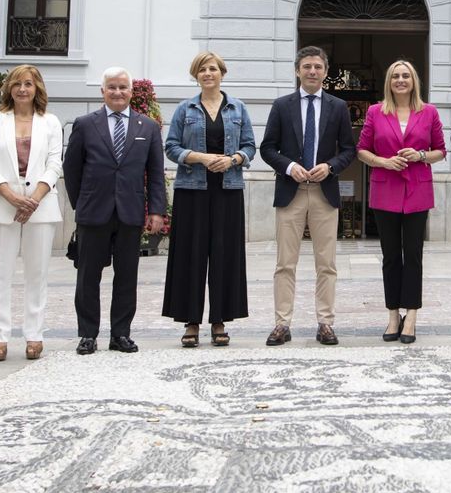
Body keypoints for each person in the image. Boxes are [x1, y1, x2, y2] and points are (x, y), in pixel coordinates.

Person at [64, 67, 167, 355]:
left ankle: (120, 334)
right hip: (93, 212)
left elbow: (155, 173)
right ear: (103, 91)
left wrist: (156, 210)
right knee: (87, 276)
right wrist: (80, 203)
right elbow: (71, 169)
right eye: (112, 87)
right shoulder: (85, 124)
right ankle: (87, 334)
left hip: (130, 213)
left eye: (123, 87)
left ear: (132, 91)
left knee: (126, 276)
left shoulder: (147, 127)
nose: (118, 92)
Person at [259, 45, 356, 347]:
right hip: (291, 192)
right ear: (297, 70)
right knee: (285, 263)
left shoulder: (338, 107)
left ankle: (325, 323)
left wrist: (330, 166)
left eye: (318, 67)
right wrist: (289, 167)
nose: (312, 71)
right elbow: (267, 148)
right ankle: (281, 323)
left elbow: (349, 150)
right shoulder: (281, 105)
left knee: (326, 263)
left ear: (326, 72)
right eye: (307, 67)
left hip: (324, 193)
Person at [162, 52, 255, 348]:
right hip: (192, 190)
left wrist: (234, 160)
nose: (208, 73)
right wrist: (199, 157)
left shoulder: (237, 108)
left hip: (228, 189)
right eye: (202, 69)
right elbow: (171, 147)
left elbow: (250, 146)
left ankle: (219, 320)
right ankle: (190, 321)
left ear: (222, 73)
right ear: (196, 75)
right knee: (190, 255)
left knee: (225, 256)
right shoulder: (184, 108)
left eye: (213, 69)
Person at [357, 59, 445, 345]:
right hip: (386, 190)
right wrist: (383, 161)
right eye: (396, 76)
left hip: (418, 191)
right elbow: (362, 151)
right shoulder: (375, 112)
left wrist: (420, 155)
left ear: (414, 81)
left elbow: (440, 151)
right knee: (391, 256)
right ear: (389, 81)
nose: (401, 80)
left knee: (414, 256)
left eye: (406, 75)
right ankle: (393, 314)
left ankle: (413, 315)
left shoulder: (428, 112)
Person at [0, 65, 63, 362]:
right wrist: (12, 196)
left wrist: (34, 199)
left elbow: (55, 164)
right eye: (16, 84)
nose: (22, 89)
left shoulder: (50, 122)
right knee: (0, 274)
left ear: (37, 88)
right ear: (9, 89)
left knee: (37, 275)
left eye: (28, 84)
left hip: (41, 207)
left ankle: (34, 334)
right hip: (2, 205)